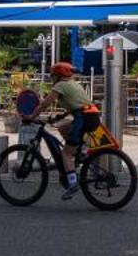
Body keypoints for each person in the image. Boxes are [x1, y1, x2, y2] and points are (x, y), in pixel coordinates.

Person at [40, 62, 98, 199]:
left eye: (52, 75)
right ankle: (80, 151)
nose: (51, 78)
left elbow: (45, 104)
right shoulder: (73, 84)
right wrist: (60, 117)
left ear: (58, 75)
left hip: (83, 118)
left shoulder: (60, 85)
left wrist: (31, 115)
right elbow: (76, 106)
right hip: (92, 116)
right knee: (63, 128)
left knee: (65, 153)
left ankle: (72, 183)